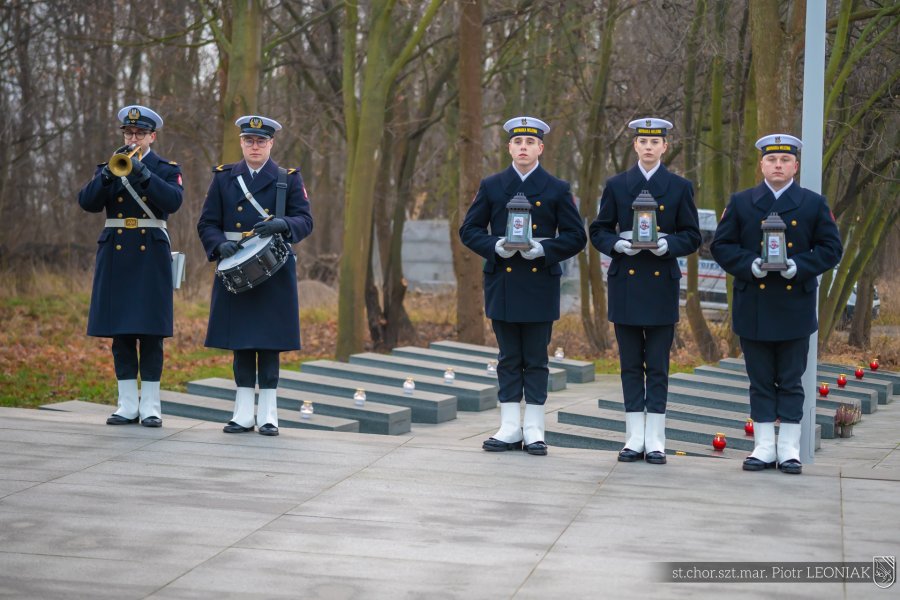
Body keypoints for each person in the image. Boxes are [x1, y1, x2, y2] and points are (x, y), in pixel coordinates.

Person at [710, 134, 842, 475]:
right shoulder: (741, 203)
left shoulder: (813, 204)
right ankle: (764, 446)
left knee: (791, 379)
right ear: (762, 165)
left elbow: (831, 249)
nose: (778, 166)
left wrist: (799, 267)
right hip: (753, 304)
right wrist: (749, 264)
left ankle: (789, 449)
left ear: (795, 166)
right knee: (760, 379)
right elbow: (721, 246)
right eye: (772, 160)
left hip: (794, 305)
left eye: (785, 161)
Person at [460, 116, 587, 456]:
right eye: (518, 143)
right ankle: (509, 426)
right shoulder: (492, 185)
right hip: (502, 281)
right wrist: (494, 246)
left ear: (540, 148)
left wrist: (545, 249)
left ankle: (533, 428)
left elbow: (576, 236)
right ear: (509, 148)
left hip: (539, 282)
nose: (523, 148)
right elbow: (469, 230)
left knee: (535, 357)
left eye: (530, 143)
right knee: (508, 357)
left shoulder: (557, 188)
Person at [589, 118, 700, 465]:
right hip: (626, 285)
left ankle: (656, 438)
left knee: (658, 365)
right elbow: (599, 230)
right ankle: (634, 436)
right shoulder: (618, 185)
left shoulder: (680, 187)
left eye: (656, 141)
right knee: (629, 364)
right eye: (643, 140)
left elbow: (693, 236)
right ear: (634, 146)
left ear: (665, 146)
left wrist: (667, 244)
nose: (649, 146)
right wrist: (618, 246)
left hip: (660, 285)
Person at [197, 115, 313, 436]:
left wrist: (283, 225)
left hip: (274, 270)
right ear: (241, 143)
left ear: (271, 143)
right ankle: (243, 412)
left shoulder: (287, 179)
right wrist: (219, 246)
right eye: (249, 140)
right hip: (236, 270)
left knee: (269, 344)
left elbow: (305, 220)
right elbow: (206, 223)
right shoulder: (223, 178)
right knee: (242, 343)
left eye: (261, 141)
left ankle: (269, 415)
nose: (255, 146)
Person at [78, 105, 183, 428]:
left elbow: (174, 202)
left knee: (151, 333)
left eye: (139, 133)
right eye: (129, 133)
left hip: (150, 253)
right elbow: (87, 202)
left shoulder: (166, 168)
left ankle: (150, 405)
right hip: (116, 253)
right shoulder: (109, 165)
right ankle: (126, 404)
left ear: (152, 136)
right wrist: (107, 176)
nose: (133, 137)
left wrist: (143, 174)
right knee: (121, 333)